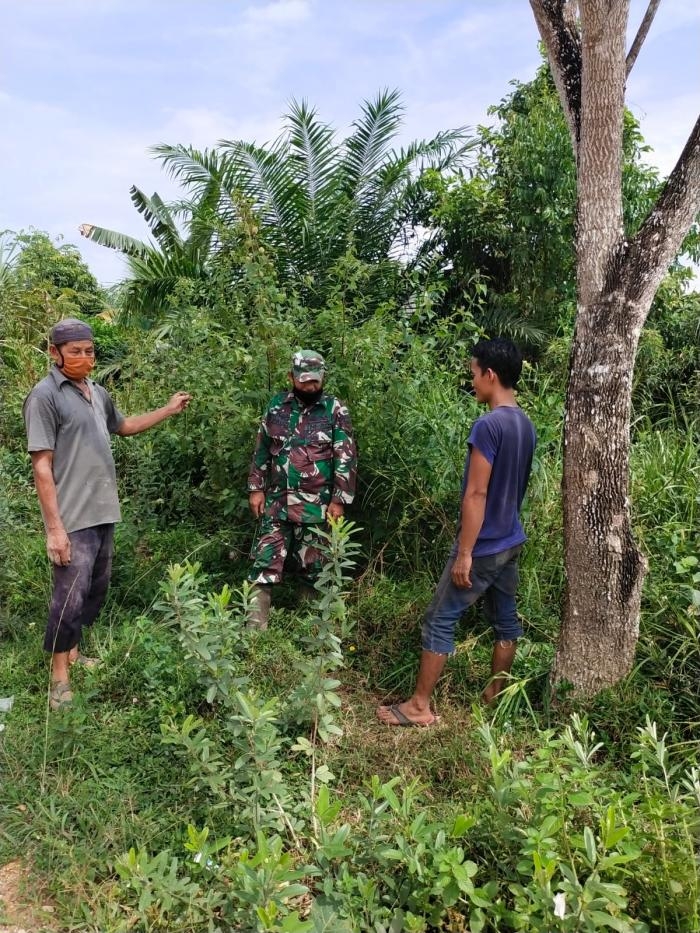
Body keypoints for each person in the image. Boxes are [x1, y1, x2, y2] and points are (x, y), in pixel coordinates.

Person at [23, 318, 192, 710]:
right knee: (68, 597)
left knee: (95, 590)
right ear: (55, 352)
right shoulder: (45, 396)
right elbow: (42, 466)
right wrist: (54, 530)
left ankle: (76, 653)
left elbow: (125, 426)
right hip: (72, 517)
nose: (85, 358)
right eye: (75, 351)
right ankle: (59, 678)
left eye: (89, 350)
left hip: (102, 511)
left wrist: (167, 410)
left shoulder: (96, 392)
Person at [377, 337, 536, 726]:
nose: (473, 381)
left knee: (439, 618)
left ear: (491, 374)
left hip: (483, 544)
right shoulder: (525, 424)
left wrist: (465, 552)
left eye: (474, 373)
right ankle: (495, 692)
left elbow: (477, 492)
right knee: (505, 620)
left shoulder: (488, 425)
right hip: (511, 540)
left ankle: (418, 707)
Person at [246, 349, 357, 629]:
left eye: (315, 381)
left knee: (315, 571)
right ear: (291, 377)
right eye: (304, 380)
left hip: (317, 507)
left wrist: (339, 500)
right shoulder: (276, 407)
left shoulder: (334, 410)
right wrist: (255, 488)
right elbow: (262, 450)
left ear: (323, 378)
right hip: (277, 503)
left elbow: (345, 456)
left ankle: (311, 636)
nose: (310, 386)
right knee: (263, 566)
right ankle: (253, 636)